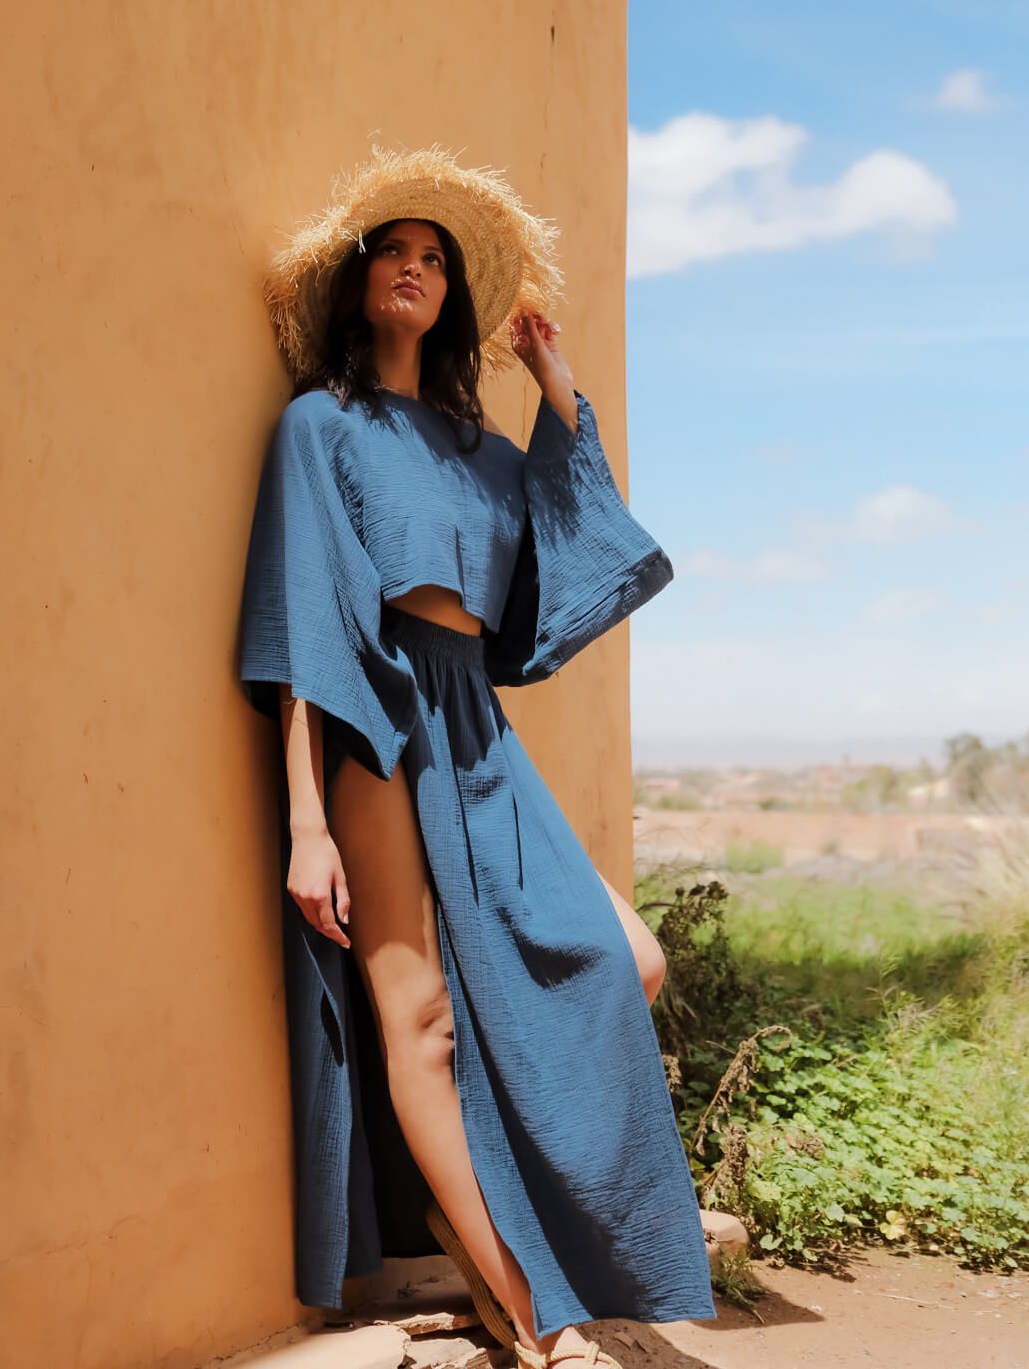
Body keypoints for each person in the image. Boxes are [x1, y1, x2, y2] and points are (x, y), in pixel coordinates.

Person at [238, 144, 715, 1369]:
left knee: (630, 960)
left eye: (435, 260)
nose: (414, 268)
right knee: (423, 1021)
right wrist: (305, 824)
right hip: (379, 713)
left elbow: (567, 549)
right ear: (356, 286)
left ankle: (503, 1226)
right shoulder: (319, 426)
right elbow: (302, 624)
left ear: (453, 297)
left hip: (477, 725)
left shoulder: (483, 447)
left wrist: (559, 392)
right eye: (393, 252)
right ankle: (537, 1314)